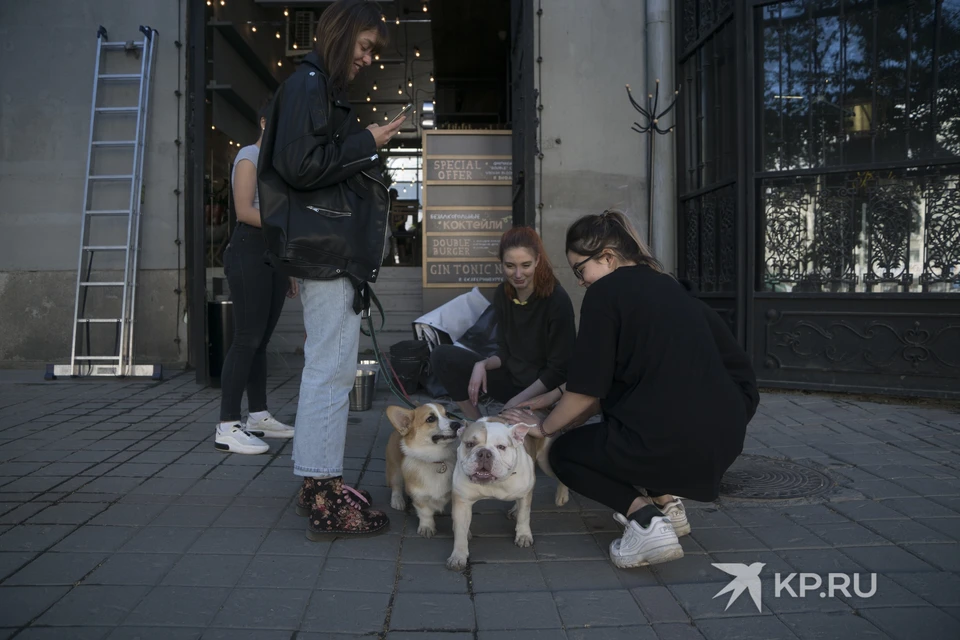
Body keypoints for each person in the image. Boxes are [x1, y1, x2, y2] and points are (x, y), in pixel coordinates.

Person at [502, 210, 759, 569]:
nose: (580, 282)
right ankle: (669, 507)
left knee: (566, 454)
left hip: (673, 440)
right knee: (626, 422)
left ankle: (645, 521)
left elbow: (588, 391)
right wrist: (549, 397)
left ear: (607, 257)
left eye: (580, 270)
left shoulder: (606, 292)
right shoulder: (671, 288)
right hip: (725, 435)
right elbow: (612, 373)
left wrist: (543, 428)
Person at [257, 0, 404, 538]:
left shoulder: (311, 87)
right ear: (342, 36)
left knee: (331, 368)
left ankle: (316, 487)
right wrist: (368, 141)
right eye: (365, 46)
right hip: (330, 255)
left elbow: (305, 165)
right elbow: (301, 166)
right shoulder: (308, 86)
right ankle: (322, 492)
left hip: (329, 252)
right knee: (331, 370)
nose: (367, 59)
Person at [214, 101, 298, 456]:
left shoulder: (279, 165)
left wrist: (289, 266)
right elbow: (245, 210)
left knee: (260, 341)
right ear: (264, 121)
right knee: (245, 339)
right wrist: (290, 224)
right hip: (248, 251)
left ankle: (258, 416)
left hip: (274, 256)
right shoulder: (249, 156)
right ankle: (227, 425)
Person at [431, 226, 576, 420]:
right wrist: (482, 364)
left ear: (537, 261)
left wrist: (515, 402)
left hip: (545, 389)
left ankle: (531, 414)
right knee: (442, 356)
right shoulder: (503, 293)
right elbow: (504, 352)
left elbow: (559, 370)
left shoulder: (557, 300)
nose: (517, 274)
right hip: (511, 379)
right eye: (510, 266)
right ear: (501, 263)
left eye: (525, 265)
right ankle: (476, 424)